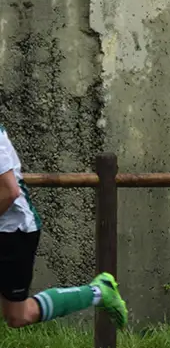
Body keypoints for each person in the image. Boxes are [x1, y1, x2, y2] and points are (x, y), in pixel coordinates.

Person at [0, 124, 128, 331]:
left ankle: (98, 292)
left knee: (19, 315)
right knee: (17, 315)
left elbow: (8, 191)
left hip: (13, 231)